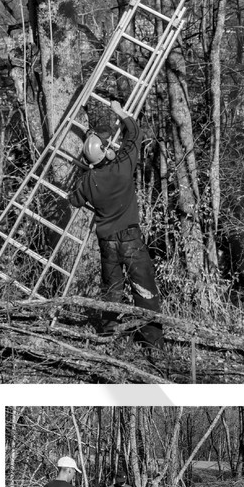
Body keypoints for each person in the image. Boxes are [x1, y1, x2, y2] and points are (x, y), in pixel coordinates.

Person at [68, 103, 164, 350]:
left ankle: (110, 337)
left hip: (107, 242)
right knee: (144, 291)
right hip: (130, 239)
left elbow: (74, 200)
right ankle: (151, 342)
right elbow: (135, 133)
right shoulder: (122, 167)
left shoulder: (88, 180)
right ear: (107, 152)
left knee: (112, 291)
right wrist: (120, 112)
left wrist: (86, 174)